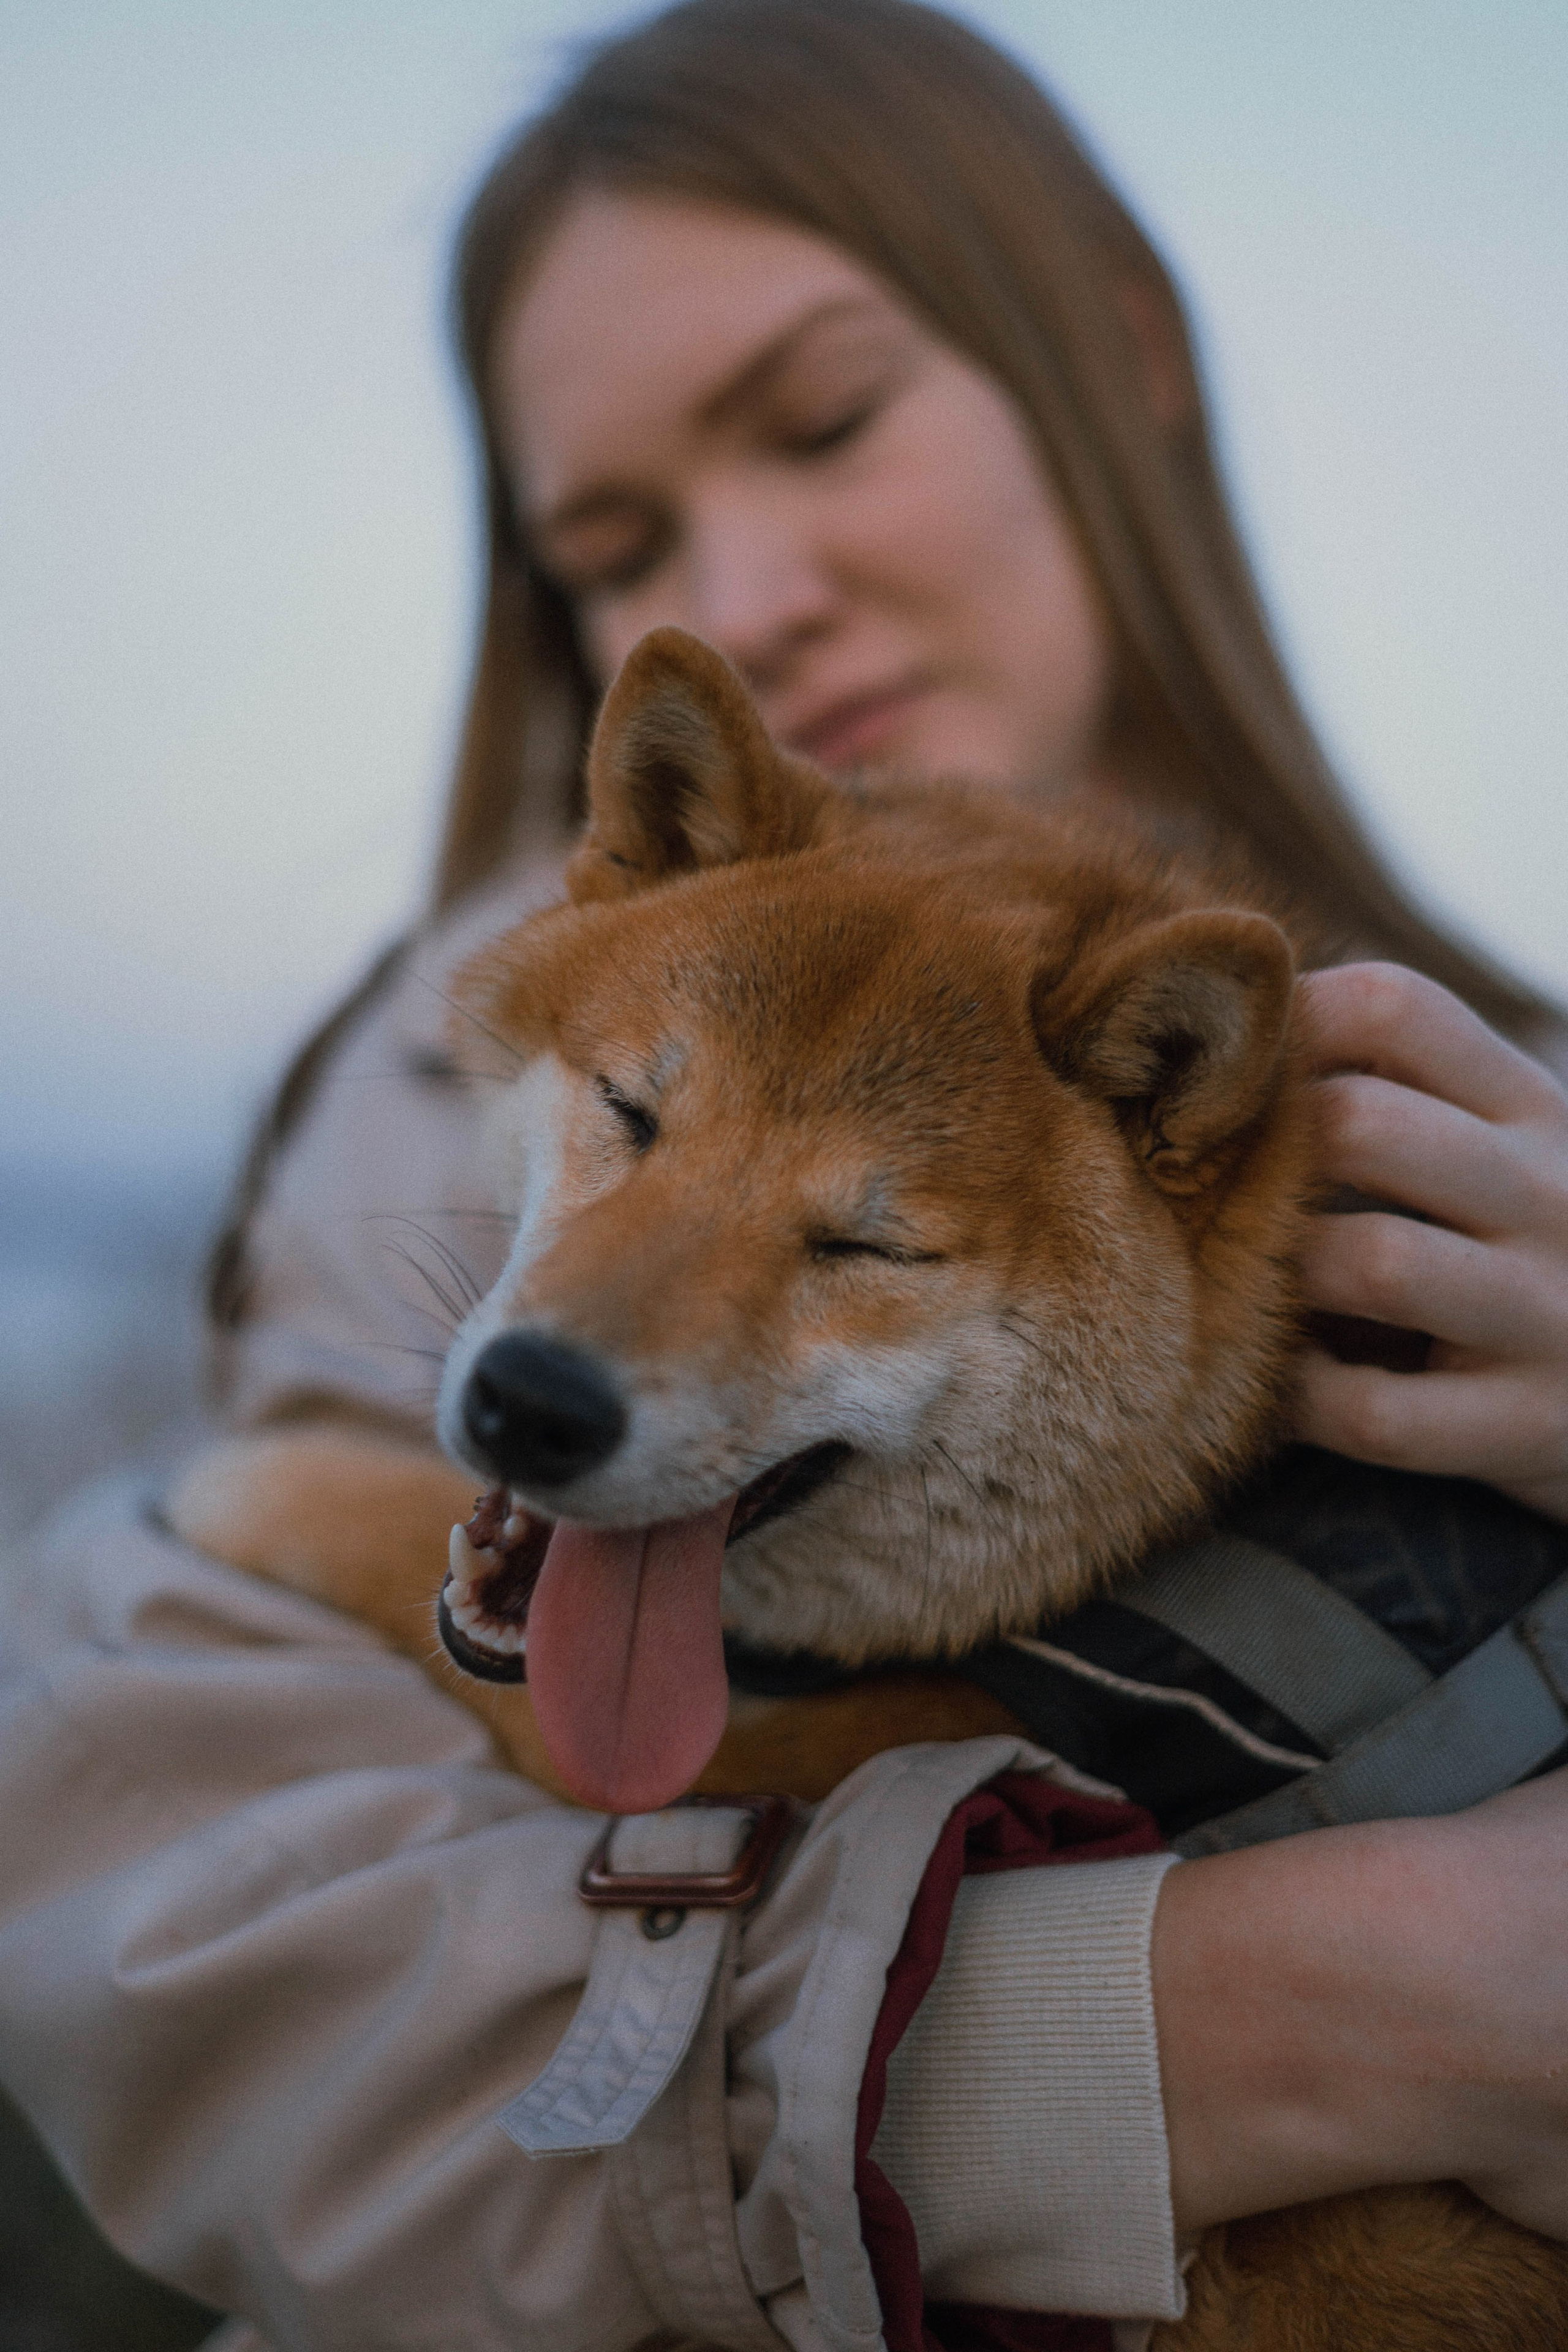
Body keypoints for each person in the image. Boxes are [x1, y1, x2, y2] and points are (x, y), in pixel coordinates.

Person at [2, 2, 1567, 2347]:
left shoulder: (1505, 1097)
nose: (748, 582)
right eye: (617, 539)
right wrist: (1259, 2015)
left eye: (824, 421)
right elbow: (183, 1908)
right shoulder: (485, 1025)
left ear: (1115, 352)